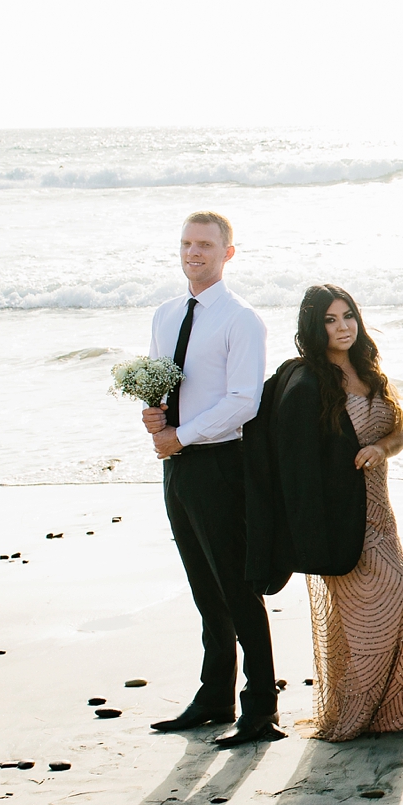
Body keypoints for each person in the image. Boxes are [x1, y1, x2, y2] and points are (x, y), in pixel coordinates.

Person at [247, 286, 403, 741]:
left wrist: (381, 448)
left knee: (396, 596)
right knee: (365, 609)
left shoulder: (370, 371)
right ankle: (352, 714)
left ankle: (393, 712)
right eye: (331, 319)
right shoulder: (309, 381)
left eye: (348, 316)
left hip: (380, 509)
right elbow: (295, 461)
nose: (343, 326)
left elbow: (401, 430)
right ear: (314, 326)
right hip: (341, 514)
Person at [138, 210, 280, 747]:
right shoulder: (165, 314)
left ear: (227, 253)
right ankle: (214, 696)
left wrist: (183, 433)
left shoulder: (240, 319)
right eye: (186, 244)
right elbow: (158, 379)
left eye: (205, 245)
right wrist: (155, 416)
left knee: (237, 590)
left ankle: (260, 707)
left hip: (222, 463)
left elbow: (245, 401)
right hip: (178, 465)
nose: (193, 253)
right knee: (202, 585)